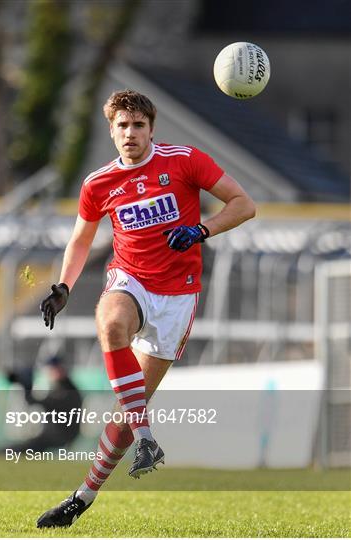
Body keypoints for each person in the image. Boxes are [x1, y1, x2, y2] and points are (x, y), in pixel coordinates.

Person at [36, 90, 255, 528]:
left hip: (179, 294)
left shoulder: (185, 160)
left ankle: (83, 496)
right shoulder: (98, 182)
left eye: (138, 125)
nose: (130, 133)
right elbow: (81, 240)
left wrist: (199, 230)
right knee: (111, 322)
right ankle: (147, 436)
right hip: (130, 278)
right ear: (112, 130)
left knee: (124, 410)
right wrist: (63, 285)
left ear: (152, 129)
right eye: (122, 125)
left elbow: (244, 205)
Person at [6, 355, 82, 454]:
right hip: (53, 435)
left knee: (19, 450)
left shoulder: (68, 390)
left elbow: (46, 403)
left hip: (60, 436)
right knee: (21, 448)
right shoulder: (63, 387)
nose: (49, 372)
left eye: (52, 369)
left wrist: (26, 387)